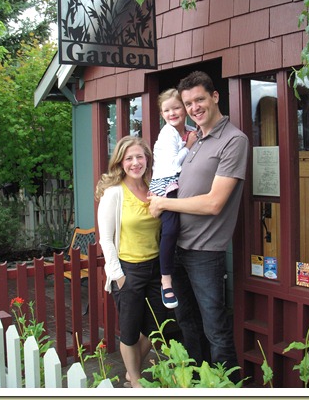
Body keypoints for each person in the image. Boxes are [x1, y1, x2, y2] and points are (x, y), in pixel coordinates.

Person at [148, 71, 249, 383]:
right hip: (177, 248)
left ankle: (225, 386)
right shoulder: (192, 141)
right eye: (188, 102)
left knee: (215, 327)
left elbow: (213, 203)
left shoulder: (234, 140)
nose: (193, 107)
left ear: (215, 97)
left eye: (199, 100)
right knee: (187, 321)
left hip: (205, 252)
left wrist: (164, 203)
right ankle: (196, 383)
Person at [96, 136, 166, 388]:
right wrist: (119, 276)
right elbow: (105, 239)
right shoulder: (114, 194)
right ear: (121, 163)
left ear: (147, 159)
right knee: (129, 328)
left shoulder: (154, 189)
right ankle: (135, 382)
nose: (135, 162)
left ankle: (131, 370)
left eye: (139, 157)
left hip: (156, 268)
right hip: (128, 270)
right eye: (129, 158)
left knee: (160, 324)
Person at [149, 89, 197, 309]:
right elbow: (175, 165)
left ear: (185, 109)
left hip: (179, 183)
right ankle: (165, 279)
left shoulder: (189, 129)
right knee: (170, 227)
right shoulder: (168, 134)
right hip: (165, 183)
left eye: (176, 107)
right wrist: (189, 145)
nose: (172, 113)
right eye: (167, 110)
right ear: (162, 114)